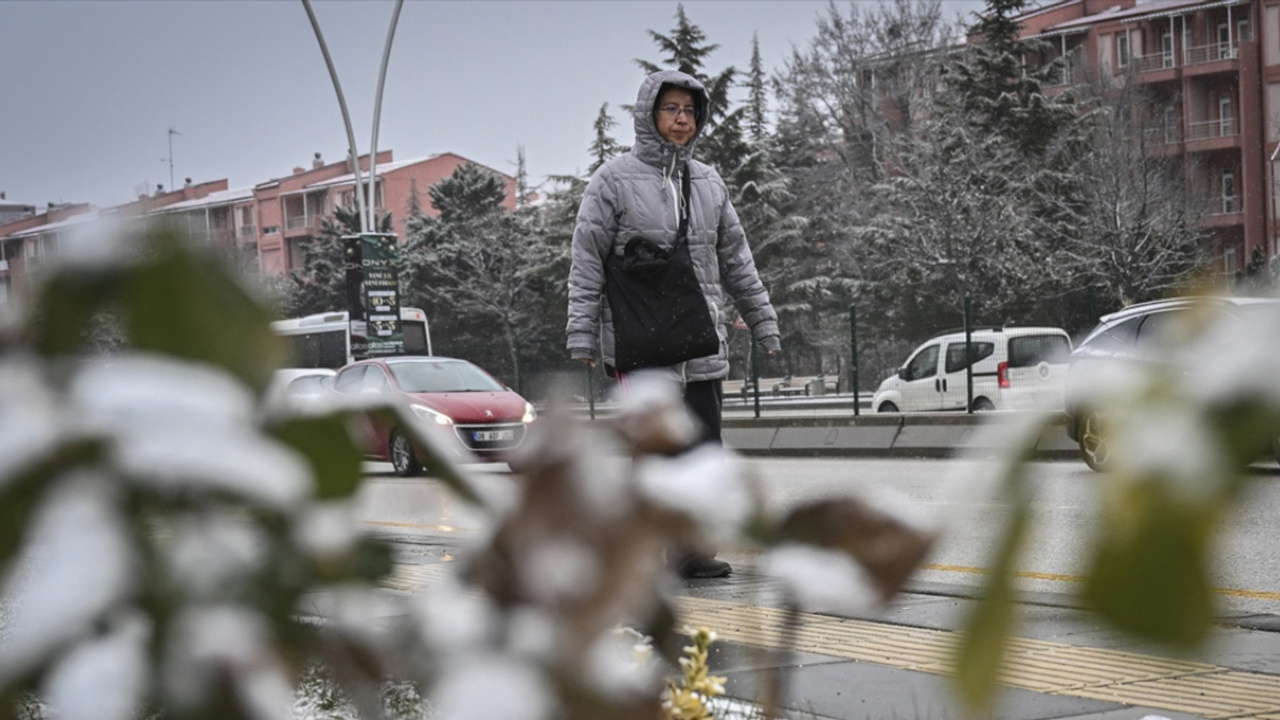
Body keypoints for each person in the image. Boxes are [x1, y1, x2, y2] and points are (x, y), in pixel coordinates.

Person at [566, 69, 781, 579]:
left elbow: (737, 259)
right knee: (653, 452)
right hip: (640, 342)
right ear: (649, 114)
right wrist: (582, 330)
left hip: (700, 340)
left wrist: (762, 318)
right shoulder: (612, 180)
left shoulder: (709, 181)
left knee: (704, 449)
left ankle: (690, 551)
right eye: (671, 109)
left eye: (689, 110)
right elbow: (587, 259)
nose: (682, 119)